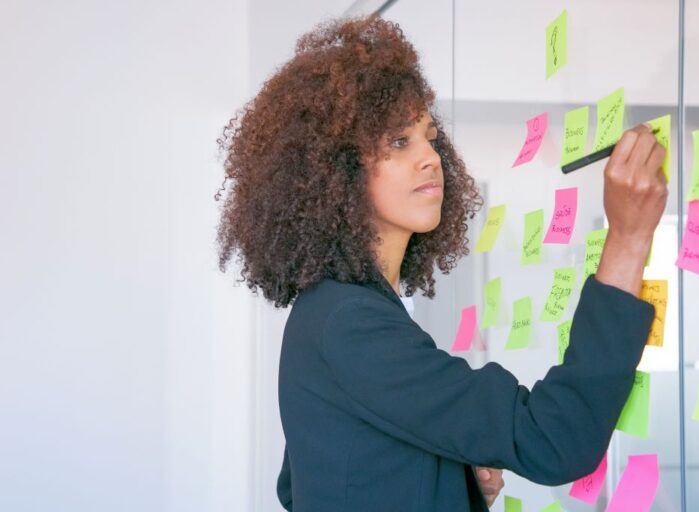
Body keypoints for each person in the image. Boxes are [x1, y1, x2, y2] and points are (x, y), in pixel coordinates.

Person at [215, 14, 667, 512]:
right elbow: (556, 440)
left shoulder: (334, 308)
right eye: (398, 141)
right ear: (336, 168)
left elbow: (306, 482)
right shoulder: (350, 321)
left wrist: (454, 484)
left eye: (429, 136)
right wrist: (628, 238)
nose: (431, 157)